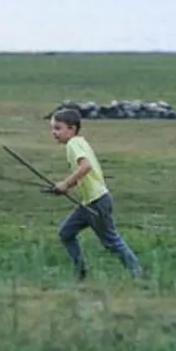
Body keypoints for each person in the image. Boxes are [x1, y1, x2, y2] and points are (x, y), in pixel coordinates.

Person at [46, 108, 141, 282]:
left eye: (58, 128)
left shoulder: (74, 144)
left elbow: (86, 167)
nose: (54, 132)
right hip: (88, 202)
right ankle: (81, 273)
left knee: (111, 241)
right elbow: (83, 174)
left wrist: (65, 183)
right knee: (66, 233)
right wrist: (65, 187)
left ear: (72, 129)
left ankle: (138, 275)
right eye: (52, 128)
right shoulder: (79, 142)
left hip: (97, 201)